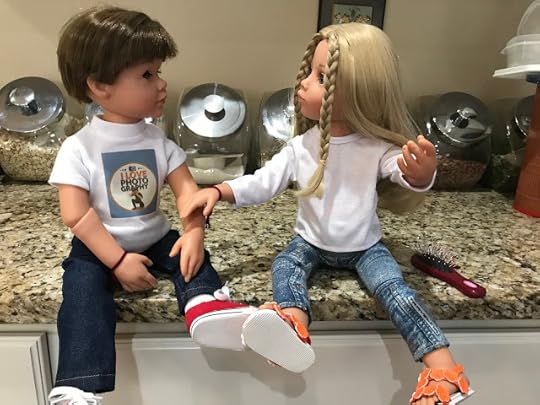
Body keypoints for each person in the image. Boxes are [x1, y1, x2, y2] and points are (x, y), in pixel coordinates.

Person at [183, 23, 472, 405]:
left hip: (366, 248)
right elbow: (264, 182)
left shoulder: (374, 147)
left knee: (397, 293)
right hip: (310, 242)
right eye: (308, 72)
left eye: (320, 77)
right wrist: (220, 190)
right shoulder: (300, 146)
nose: (302, 83)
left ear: (358, 94)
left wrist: (420, 173)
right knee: (286, 267)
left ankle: (445, 372)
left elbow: (399, 170)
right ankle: (293, 326)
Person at [47, 6, 255, 404]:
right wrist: (116, 261)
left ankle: (204, 308)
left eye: (158, 71)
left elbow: (188, 195)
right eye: (147, 74)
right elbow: (75, 214)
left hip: (155, 236)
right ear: (99, 86)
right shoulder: (79, 148)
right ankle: (77, 384)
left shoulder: (159, 142)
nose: (162, 84)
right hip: (99, 245)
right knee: (82, 291)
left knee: (190, 257)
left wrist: (194, 231)